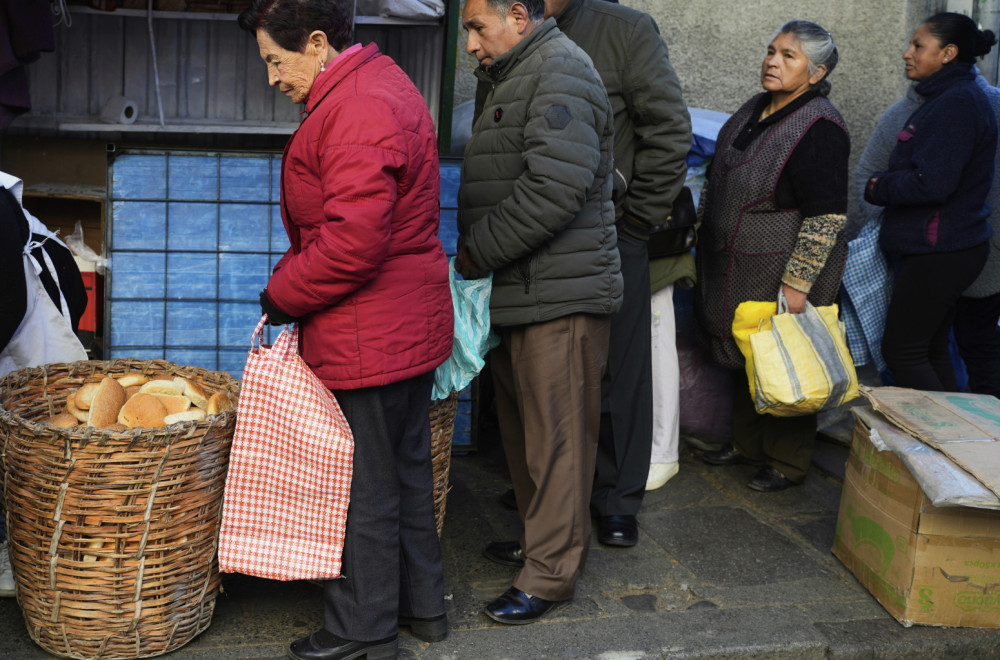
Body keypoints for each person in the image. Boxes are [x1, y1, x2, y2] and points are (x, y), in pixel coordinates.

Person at [237, 2, 454, 659]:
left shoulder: (356, 106)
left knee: (364, 485)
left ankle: (364, 631)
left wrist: (281, 295)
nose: (272, 78)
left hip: (370, 331)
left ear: (317, 42)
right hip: (402, 322)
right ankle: (422, 608)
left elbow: (352, 244)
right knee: (405, 470)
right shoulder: (378, 83)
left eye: (275, 60)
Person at [457, 0, 622, 625]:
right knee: (527, 436)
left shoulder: (560, 69)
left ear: (518, 16)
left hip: (559, 297)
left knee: (557, 442)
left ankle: (550, 574)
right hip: (523, 291)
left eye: (477, 27)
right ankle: (540, 544)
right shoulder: (517, 71)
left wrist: (477, 252)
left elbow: (554, 189)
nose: (470, 45)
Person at [535, 0, 690, 540]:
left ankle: (617, 497)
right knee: (546, 366)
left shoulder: (625, 30)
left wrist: (637, 221)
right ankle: (552, 489)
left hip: (612, 230)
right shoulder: (511, 22)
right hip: (537, 232)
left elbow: (669, 132)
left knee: (618, 366)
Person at [695, 20, 849, 492]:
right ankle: (747, 446)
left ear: (816, 73)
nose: (772, 61)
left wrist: (797, 284)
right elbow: (718, 176)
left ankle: (787, 461)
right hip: (738, 263)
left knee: (785, 356)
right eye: (771, 50)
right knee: (748, 355)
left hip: (779, 266)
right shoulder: (755, 108)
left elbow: (826, 217)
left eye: (788, 56)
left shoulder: (820, 127)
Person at [864, 12, 998, 393]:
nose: (907, 53)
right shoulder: (945, 97)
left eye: (918, 46)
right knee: (929, 350)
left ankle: (941, 428)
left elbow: (932, 183)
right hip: (940, 248)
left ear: (947, 53)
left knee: (902, 351)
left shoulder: (958, 103)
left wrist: (879, 186)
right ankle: (947, 426)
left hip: (941, 250)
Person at [1, 170, 89, 598]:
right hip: (13, 311)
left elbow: (10, 301)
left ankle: (23, 551)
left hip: (30, 308)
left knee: (34, 440)